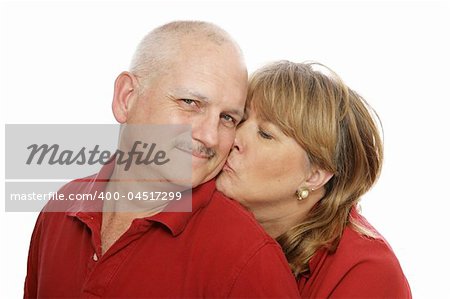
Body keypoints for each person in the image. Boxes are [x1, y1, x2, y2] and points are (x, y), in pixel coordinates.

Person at [24, 22, 300, 298]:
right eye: (190, 103)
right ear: (126, 98)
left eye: (227, 118)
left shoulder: (250, 261)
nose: (210, 137)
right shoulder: (59, 209)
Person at [217, 61, 412, 298]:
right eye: (239, 119)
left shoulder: (367, 271)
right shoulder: (198, 186)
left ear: (314, 175)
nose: (234, 137)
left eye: (265, 134)